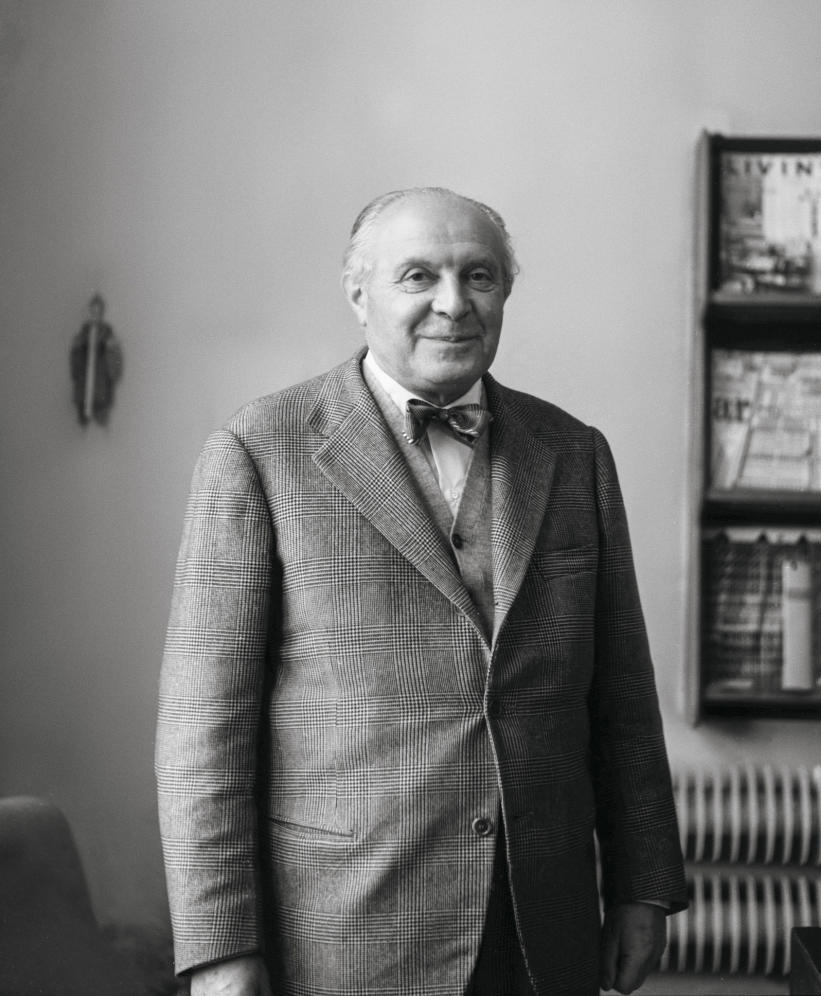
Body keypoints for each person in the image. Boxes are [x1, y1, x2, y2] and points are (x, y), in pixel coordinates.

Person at [156, 187, 688, 996]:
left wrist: (643, 883)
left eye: (479, 276)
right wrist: (222, 949)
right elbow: (203, 734)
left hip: (543, 929)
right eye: (418, 275)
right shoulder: (258, 451)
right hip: (342, 933)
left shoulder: (575, 454)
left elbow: (621, 692)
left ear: (505, 292)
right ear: (358, 291)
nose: (453, 303)